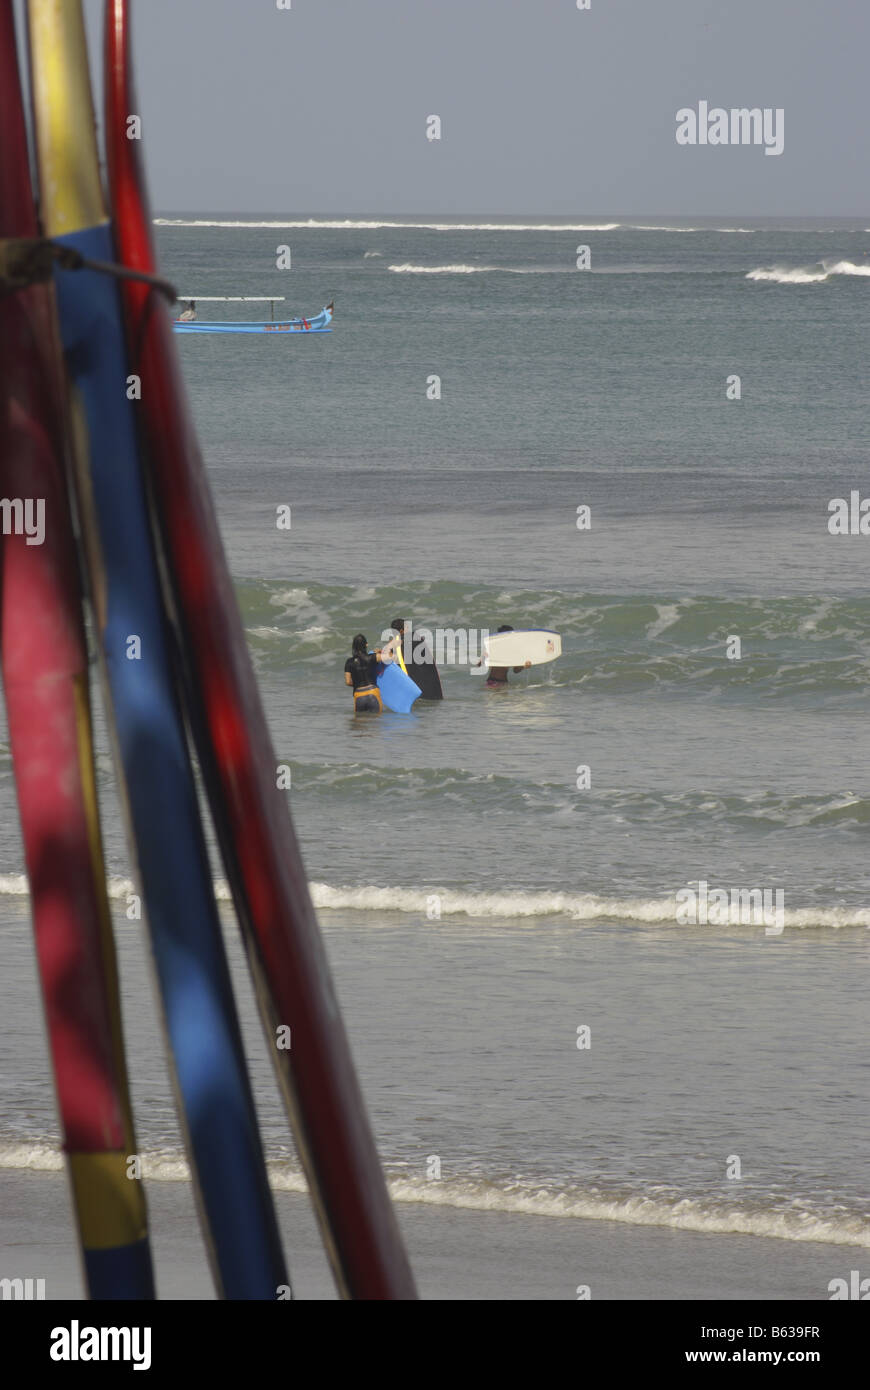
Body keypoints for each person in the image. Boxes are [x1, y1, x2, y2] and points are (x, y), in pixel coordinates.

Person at [344, 633, 383, 712]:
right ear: (366, 644)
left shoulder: (349, 662)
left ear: (354, 647)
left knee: (359, 723)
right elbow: (391, 656)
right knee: (376, 722)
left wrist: (358, 683)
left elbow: (348, 682)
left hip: (359, 694)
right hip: (373, 692)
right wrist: (380, 652)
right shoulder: (373, 657)